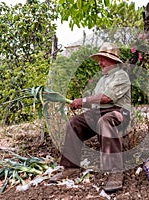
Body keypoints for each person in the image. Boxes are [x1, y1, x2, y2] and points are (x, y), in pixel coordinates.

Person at [50, 42, 131, 192]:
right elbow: (97, 102)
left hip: (118, 113)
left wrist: (83, 101)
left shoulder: (121, 75)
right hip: (100, 111)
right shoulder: (102, 80)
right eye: (99, 59)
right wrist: (78, 104)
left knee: (105, 122)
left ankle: (116, 171)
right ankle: (71, 166)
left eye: (103, 59)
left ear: (113, 60)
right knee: (74, 123)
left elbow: (107, 98)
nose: (100, 63)